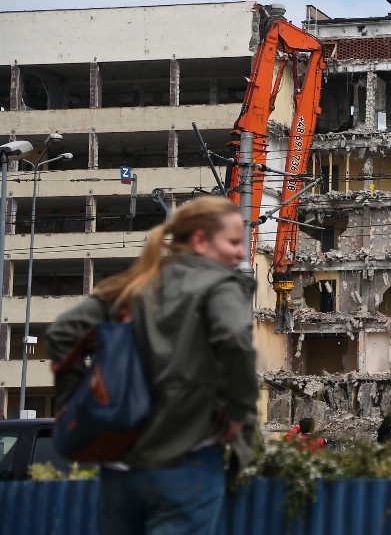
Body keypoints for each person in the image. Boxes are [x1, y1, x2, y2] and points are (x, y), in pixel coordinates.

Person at [45, 196, 258, 535]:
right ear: (200, 241)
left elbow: (62, 334)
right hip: (186, 461)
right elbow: (234, 338)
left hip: (120, 468)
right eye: (233, 242)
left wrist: (81, 399)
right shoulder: (218, 285)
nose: (240, 253)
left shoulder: (134, 284)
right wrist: (237, 410)